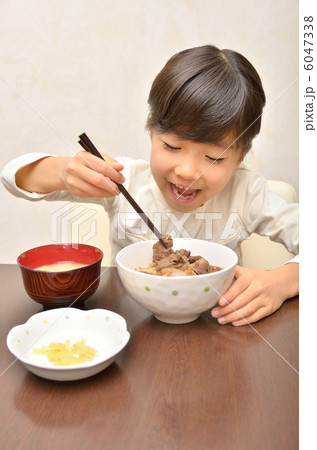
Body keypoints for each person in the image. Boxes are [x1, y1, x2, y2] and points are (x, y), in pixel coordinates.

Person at [1, 44, 298, 326]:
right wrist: (63, 171)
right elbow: (12, 176)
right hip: (127, 324)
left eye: (214, 157)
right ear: (151, 131)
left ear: (240, 156)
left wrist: (282, 282)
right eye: (171, 146)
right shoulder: (124, 180)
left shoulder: (247, 193)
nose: (188, 171)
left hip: (220, 327)